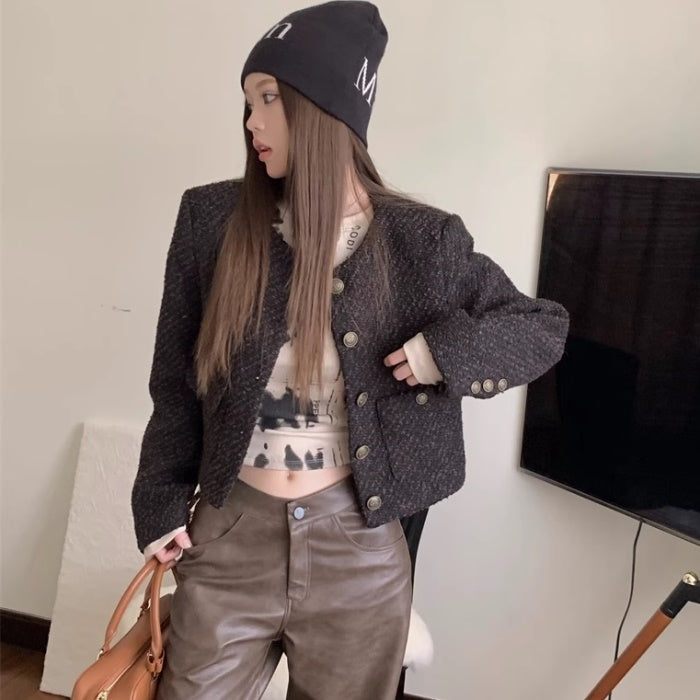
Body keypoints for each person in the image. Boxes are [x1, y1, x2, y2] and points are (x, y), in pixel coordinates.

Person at [130, 2, 570, 698]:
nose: (251, 122)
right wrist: (157, 502)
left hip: (359, 545)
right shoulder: (212, 222)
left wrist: (442, 354)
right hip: (230, 532)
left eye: (269, 98)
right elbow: (175, 378)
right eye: (247, 101)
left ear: (325, 109)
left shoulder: (424, 241)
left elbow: (541, 326)